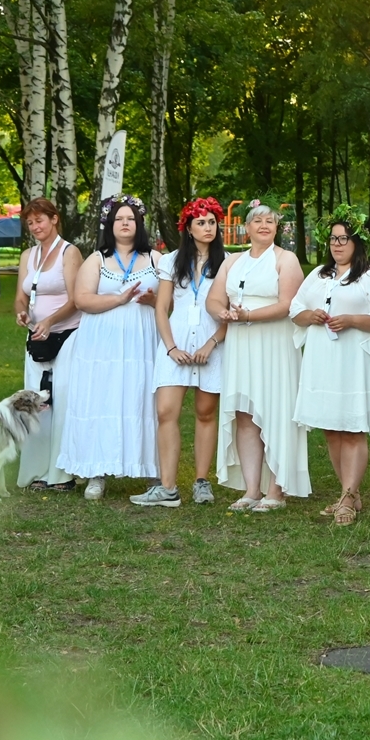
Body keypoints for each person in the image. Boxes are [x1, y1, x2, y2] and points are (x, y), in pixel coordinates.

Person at [56, 197, 162, 500]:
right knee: (101, 399)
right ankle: (96, 471)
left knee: (142, 397)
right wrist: (118, 299)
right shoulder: (97, 259)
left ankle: (151, 469)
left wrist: (153, 301)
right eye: (119, 219)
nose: (125, 223)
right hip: (102, 344)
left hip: (141, 341)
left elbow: (172, 303)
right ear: (109, 225)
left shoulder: (156, 259)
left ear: (139, 223)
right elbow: (82, 299)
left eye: (130, 218)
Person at [290, 209, 370, 524]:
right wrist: (310, 316)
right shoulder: (319, 275)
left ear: (357, 242)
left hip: (353, 360)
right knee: (331, 428)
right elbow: (295, 309)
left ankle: (347, 497)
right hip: (323, 359)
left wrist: (352, 320)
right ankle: (349, 492)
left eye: (344, 239)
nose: (337, 244)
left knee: (352, 428)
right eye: (333, 239)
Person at [209, 203, 310, 511]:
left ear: (277, 228)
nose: (264, 225)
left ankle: (276, 489)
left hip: (274, 341)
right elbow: (214, 298)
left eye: (270, 221)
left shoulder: (286, 259)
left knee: (276, 409)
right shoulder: (232, 261)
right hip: (241, 343)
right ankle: (252, 489)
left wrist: (249, 315)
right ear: (247, 227)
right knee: (245, 412)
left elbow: (288, 304)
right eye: (258, 221)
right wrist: (223, 313)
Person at [132, 197, 228, 508]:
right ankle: (167, 487)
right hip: (176, 345)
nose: (208, 227)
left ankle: (201, 482)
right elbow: (162, 308)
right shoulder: (171, 260)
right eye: (201, 222)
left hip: (212, 344)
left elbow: (230, 313)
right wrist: (171, 347)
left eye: (212, 222)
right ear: (188, 228)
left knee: (205, 412)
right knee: (166, 411)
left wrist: (212, 343)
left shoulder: (228, 262)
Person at [13, 197, 82, 491]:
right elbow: (21, 295)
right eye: (30, 223)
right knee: (37, 403)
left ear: (54, 219)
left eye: (39, 220)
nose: (35, 227)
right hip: (36, 337)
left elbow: (77, 299)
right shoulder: (28, 255)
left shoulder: (70, 252)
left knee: (62, 401)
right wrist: (22, 312)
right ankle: (39, 470)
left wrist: (51, 321)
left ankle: (63, 473)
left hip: (67, 335)